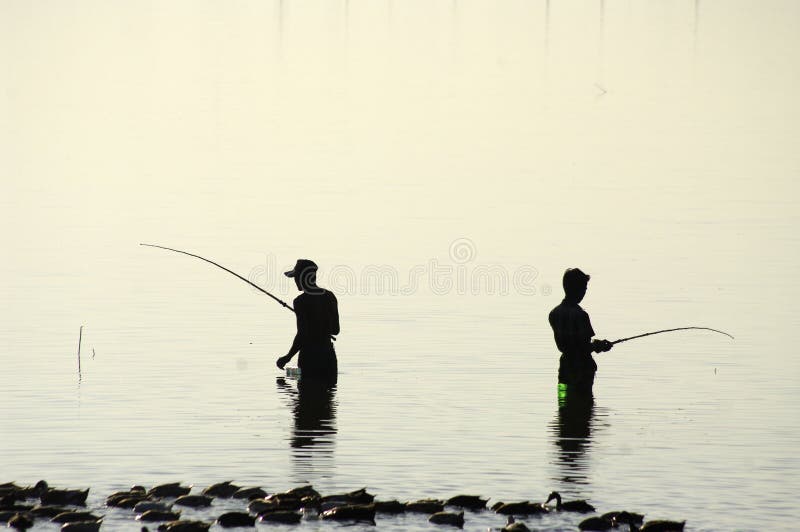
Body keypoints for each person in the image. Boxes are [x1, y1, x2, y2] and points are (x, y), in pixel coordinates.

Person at [548, 268, 612, 395]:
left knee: (563, 405)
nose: (585, 292)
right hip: (582, 371)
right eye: (584, 288)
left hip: (564, 368)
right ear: (578, 289)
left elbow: (570, 345)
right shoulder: (581, 315)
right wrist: (599, 346)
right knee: (584, 407)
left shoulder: (554, 313)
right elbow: (583, 346)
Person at [276, 259, 340, 382]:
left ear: (301, 278)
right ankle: (288, 375)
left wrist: (287, 357)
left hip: (309, 358)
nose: (294, 281)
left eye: (295, 277)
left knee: (295, 385)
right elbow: (336, 330)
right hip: (329, 358)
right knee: (328, 398)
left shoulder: (300, 301)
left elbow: (302, 335)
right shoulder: (330, 296)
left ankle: (284, 378)